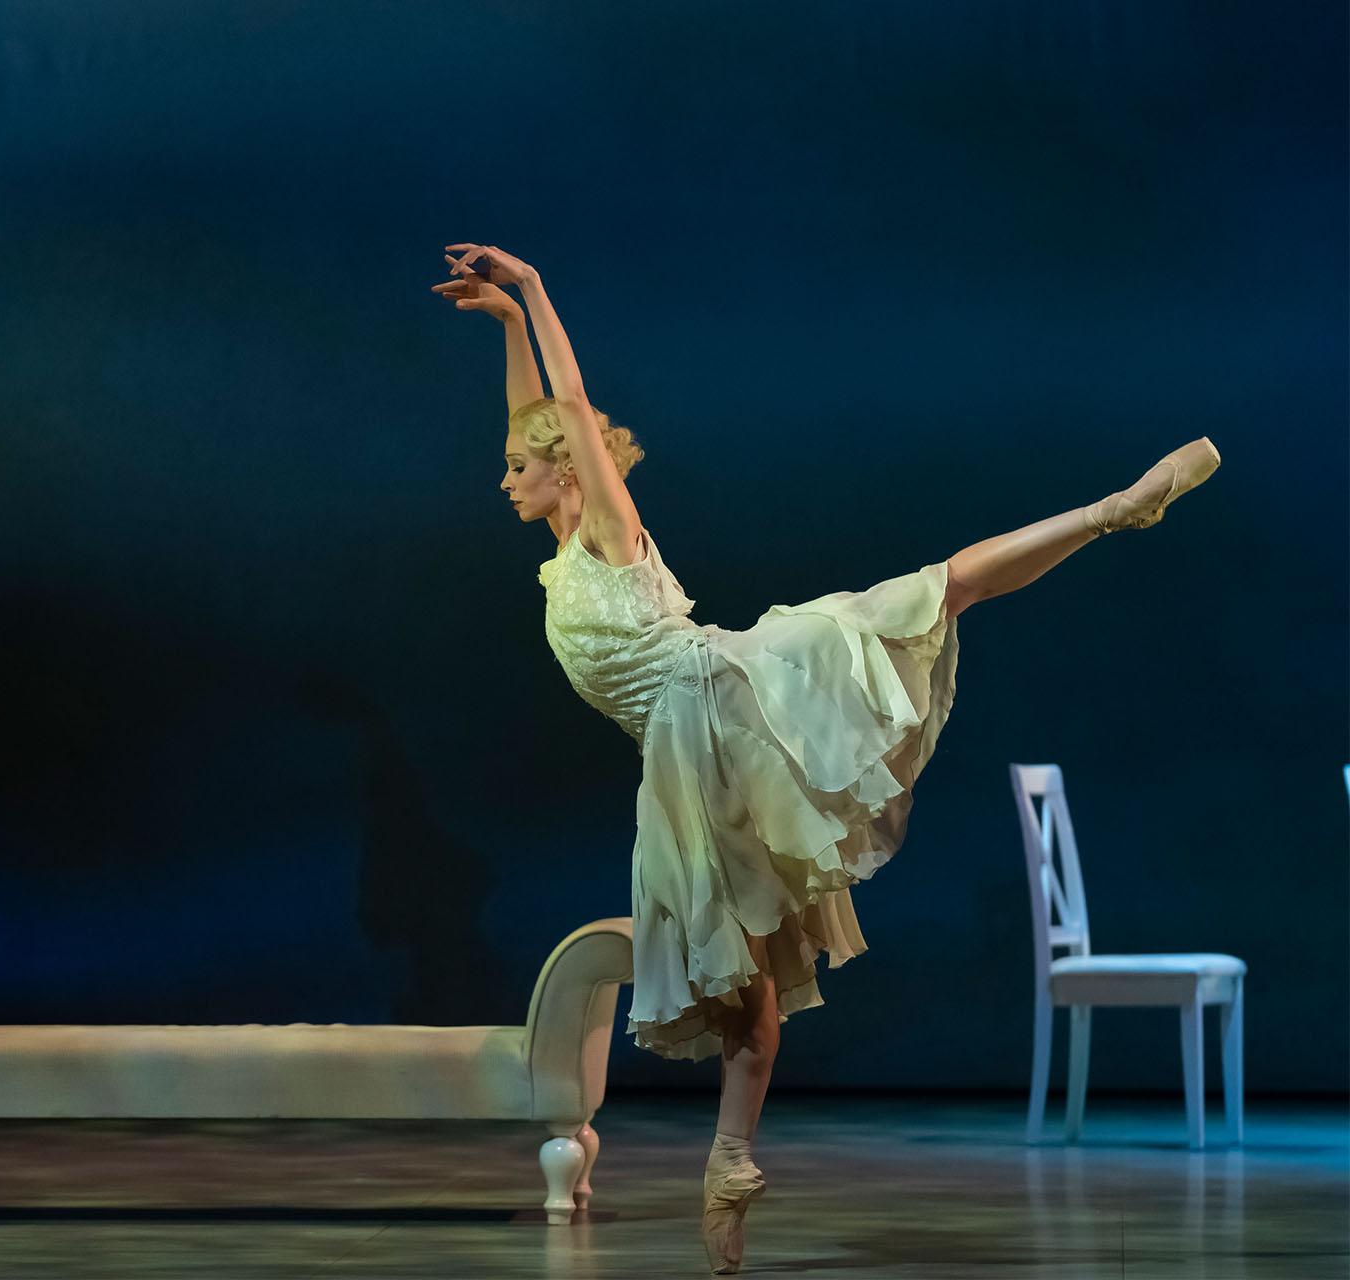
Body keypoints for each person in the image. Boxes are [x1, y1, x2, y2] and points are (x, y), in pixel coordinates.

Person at [431, 242, 1220, 1274]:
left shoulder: (612, 534)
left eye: (519, 466)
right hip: (681, 767)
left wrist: (532, 289)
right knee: (743, 983)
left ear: (566, 472)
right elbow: (537, 416)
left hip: (729, 699)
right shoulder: (559, 548)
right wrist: (502, 328)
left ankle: (1115, 508)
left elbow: (568, 406)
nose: (503, 476)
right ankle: (730, 1163)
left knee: (929, 593)